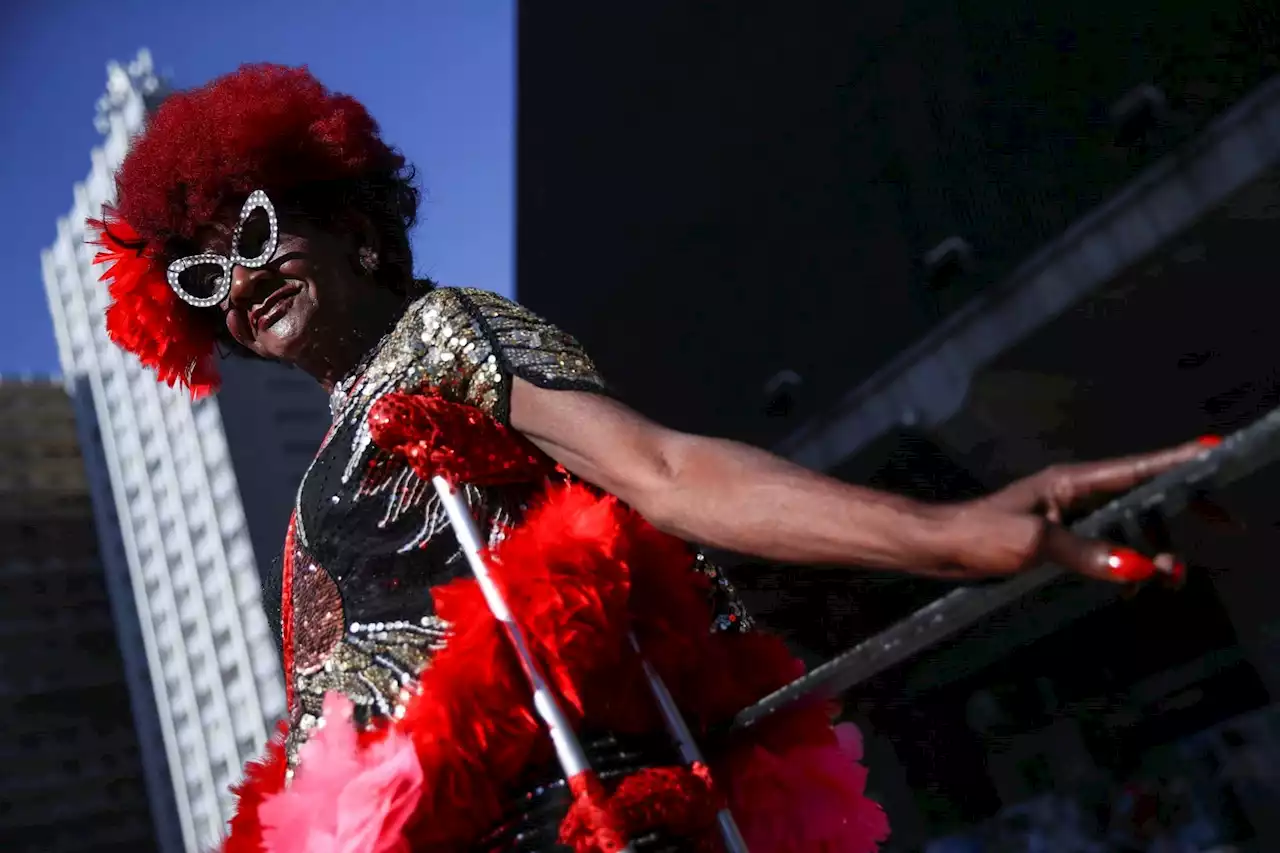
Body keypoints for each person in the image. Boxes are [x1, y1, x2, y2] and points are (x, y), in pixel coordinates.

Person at [90, 65, 1210, 853]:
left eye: (249, 234)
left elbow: (664, 471)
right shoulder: (306, 490)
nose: (237, 281)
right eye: (199, 278)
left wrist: (952, 532)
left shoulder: (447, 335)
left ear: (351, 223)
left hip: (568, 818)